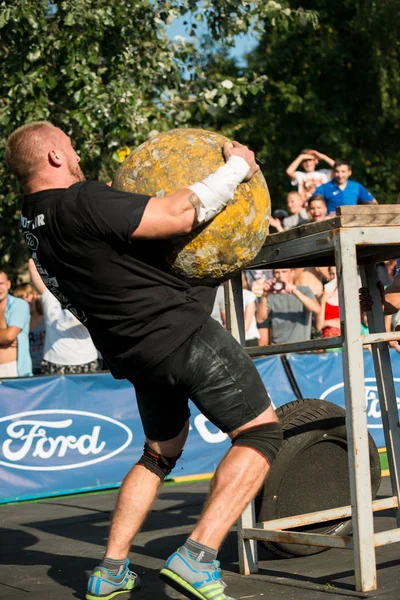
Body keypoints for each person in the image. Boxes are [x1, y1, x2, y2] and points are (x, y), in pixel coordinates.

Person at [6, 121, 282, 600]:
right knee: (261, 434)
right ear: (52, 156)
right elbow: (177, 213)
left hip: (132, 353)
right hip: (177, 332)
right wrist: (239, 164)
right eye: (69, 147)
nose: (76, 155)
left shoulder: (32, 220)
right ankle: (197, 557)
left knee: (159, 453)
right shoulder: (79, 200)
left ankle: (111, 569)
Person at [28, 259, 99, 374]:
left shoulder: (88, 296)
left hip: (86, 361)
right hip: (54, 362)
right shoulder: (50, 296)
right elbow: (32, 264)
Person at [256, 268, 320, 344]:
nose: (280, 276)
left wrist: (295, 292)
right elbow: (260, 319)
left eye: (284, 272)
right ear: (273, 275)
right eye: (277, 272)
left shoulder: (304, 290)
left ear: (292, 273)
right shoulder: (271, 294)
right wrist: (264, 295)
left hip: (301, 349)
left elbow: (317, 309)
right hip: (279, 349)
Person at [312, 159, 377, 215]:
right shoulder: (324, 188)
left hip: (352, 222)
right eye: (337, 171)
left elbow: (374, 203)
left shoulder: (356, 186)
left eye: (343, 171)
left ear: (349, 172)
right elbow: (311, 205)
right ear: (333, 172)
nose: (340, 175)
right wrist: (325, 216)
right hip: (332, 224)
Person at [0, 267, 32, 378]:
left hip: (14, 371)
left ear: (8, 284)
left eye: (1, 283)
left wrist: (6, 337)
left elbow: (9, 336)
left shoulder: (19, 305)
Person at [13, 281, 45, 375]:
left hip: (45, 367)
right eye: (21, 298)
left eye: (27, 296)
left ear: (35, 296)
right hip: (26, 369)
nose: (25, 301)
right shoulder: (16, 321)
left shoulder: (46, 318)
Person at [316, 266, 340, 338]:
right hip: (329, 341)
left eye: (337, 274)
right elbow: (319, 326)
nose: (335, 277)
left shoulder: (348, 297)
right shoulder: (322, 297)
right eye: (332, 274)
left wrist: (327, 323)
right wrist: (323, 301)